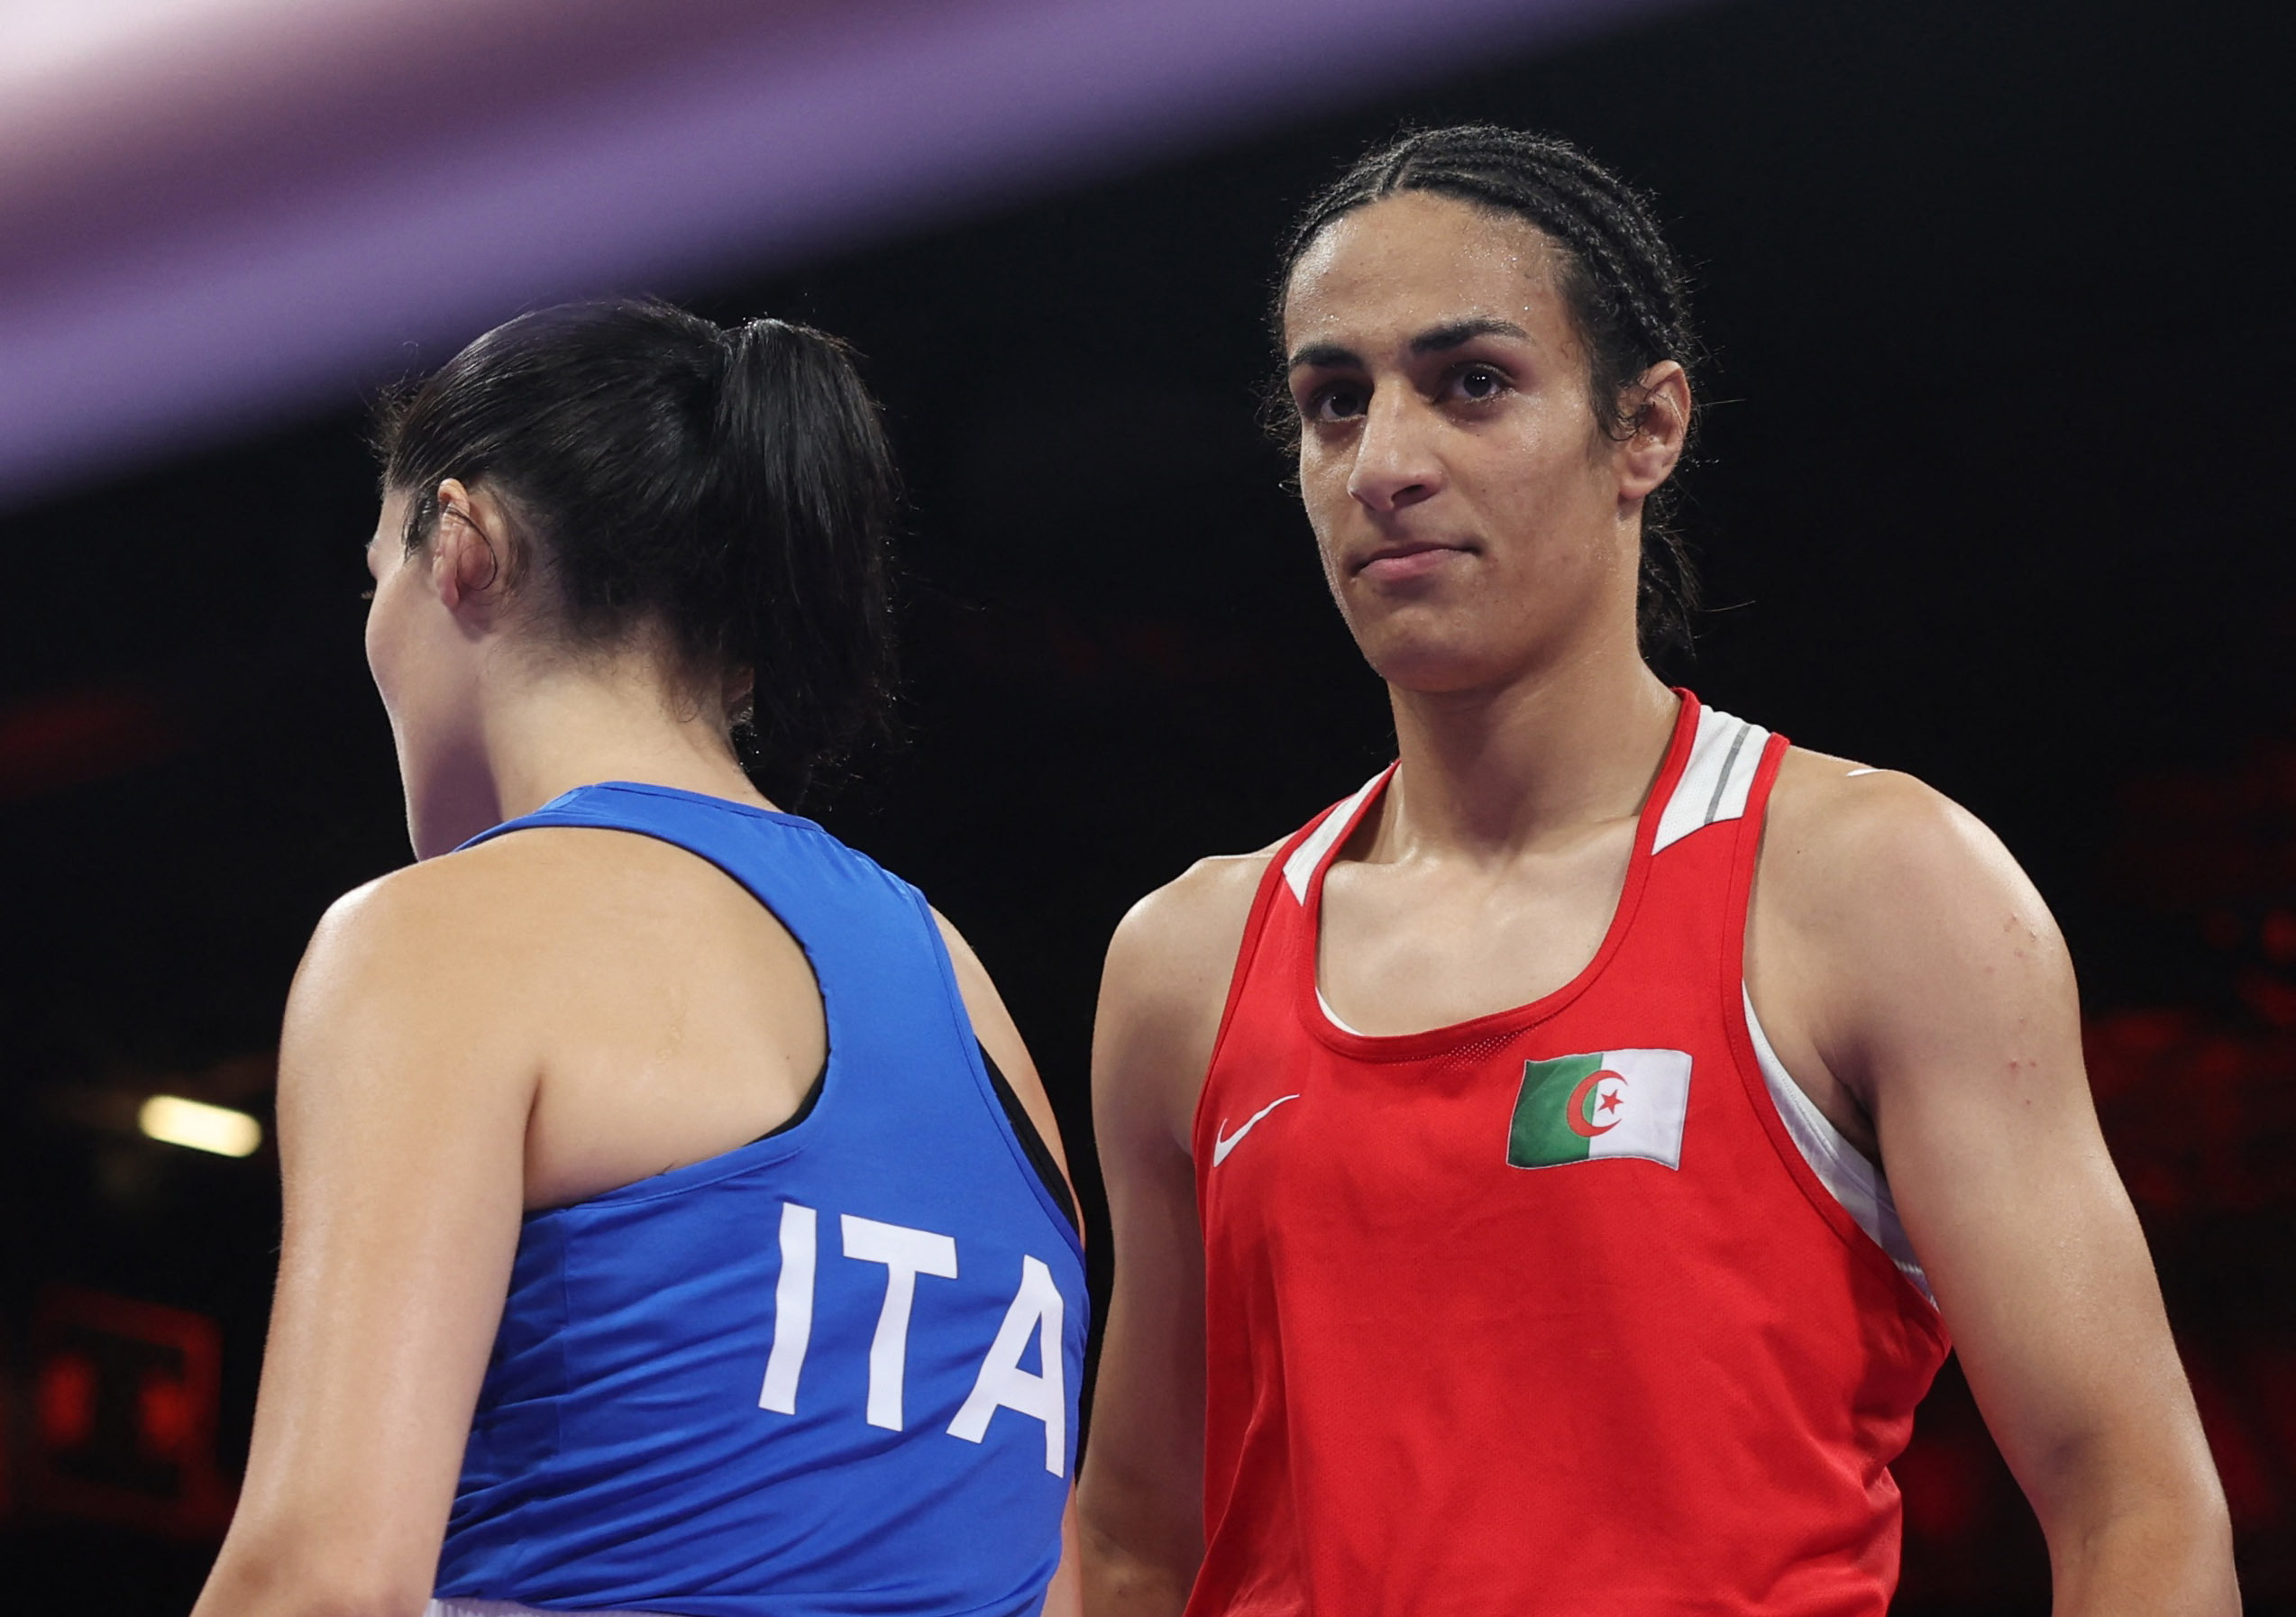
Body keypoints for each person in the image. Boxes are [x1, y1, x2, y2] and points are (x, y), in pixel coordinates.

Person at [1078, 127, 2236, 1614]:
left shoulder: (1873, 886)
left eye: (1472, 382)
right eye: (1334, 402)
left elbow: (2135, 1503)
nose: (1386, 465)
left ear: (1647, 429)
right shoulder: (1184, 961)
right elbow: (1129, 1547)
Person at [192, 299, 1086, 1617]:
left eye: (374, 569)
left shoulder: (438, 941)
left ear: (463, 544)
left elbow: (321, 1581)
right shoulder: (968, 993)